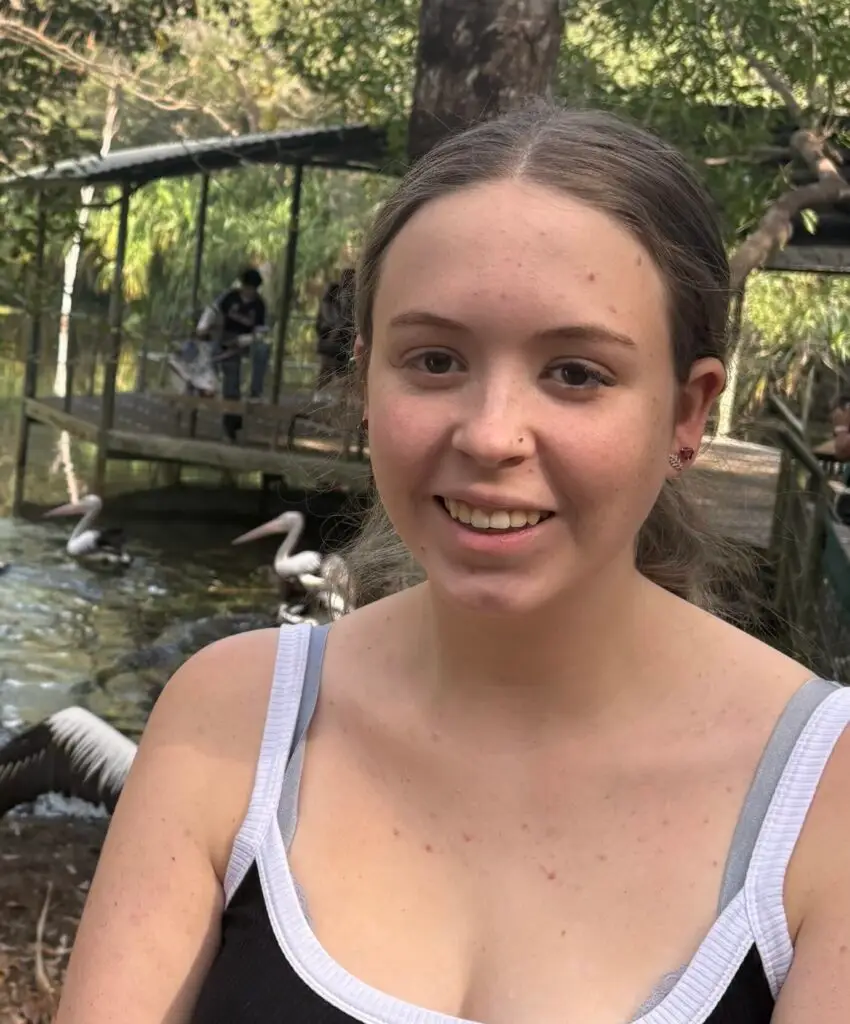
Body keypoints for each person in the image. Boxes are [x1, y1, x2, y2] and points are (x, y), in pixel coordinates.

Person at [55, 105, 850, 1024]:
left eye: (577, 373)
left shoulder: (823, 794)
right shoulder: (228, 721)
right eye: (434, 360)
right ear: (366, 379)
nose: (490, 435)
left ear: (688, 410)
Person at [199, 267, 270, 441]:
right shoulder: (229, 297)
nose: (250, 292)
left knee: (263, 348)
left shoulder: (259, 305)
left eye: (253, 289)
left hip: (245, 341)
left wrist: (242, 341)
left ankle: (255, 392)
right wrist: (202, 328)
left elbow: (260, 333)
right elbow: (212, 311)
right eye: (247, 287)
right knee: (231, 381)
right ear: (242, 286)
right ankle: (230, 424)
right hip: (225, 340)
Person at [313, 267, 356, 401]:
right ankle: (320, 392)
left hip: (344, 336)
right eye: (346, 278)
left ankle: (339, 397)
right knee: (326, 364)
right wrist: (333, 329)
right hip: (330, 332)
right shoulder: (332, 292)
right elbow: (327, 313)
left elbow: (350, 316)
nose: (349, 282)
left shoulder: (354, 296)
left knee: (343, 368)